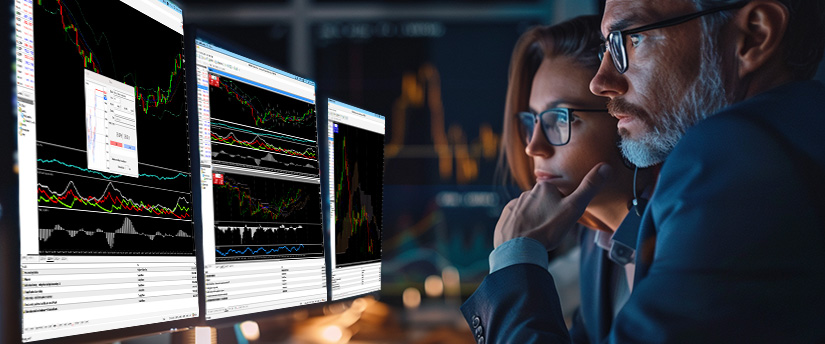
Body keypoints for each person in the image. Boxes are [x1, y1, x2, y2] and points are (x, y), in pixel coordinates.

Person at [462, 0, 825, 343]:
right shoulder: (789, 137)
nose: (601, 82)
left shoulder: (739, 156)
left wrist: (515, 258)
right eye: (607, 45)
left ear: (754, 35)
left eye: (630, 39)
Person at [488, 15, 657, 343]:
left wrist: (515, 259)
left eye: (559, 118)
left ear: (624, 117)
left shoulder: (680, 242)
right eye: (533, 121)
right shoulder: (597, 246)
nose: (533, 145)